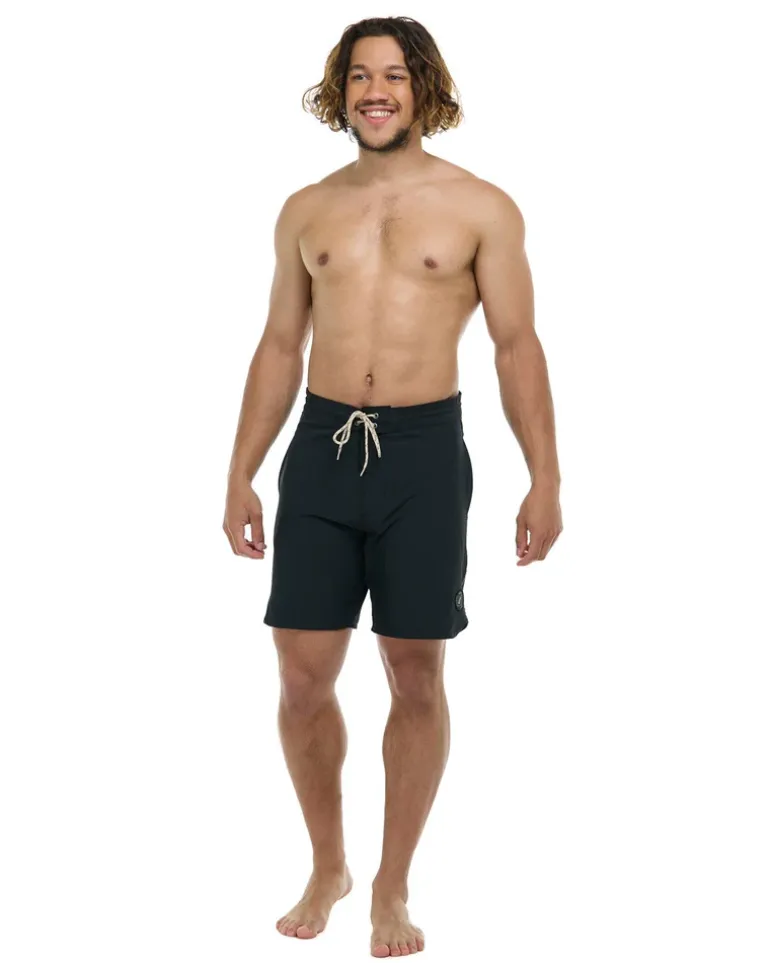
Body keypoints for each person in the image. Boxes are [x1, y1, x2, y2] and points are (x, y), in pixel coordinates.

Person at [222, 15, 563, 958]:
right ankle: (328, 863)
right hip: (321, 450)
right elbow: (280, 345)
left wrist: (544, 478)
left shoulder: (482, 207)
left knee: (416, 672)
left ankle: (391, 883)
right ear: (340, 92)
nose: (376, 92)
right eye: (360, 76)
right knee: (301, 677)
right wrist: (241, 471)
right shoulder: (306, 209)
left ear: (424, 90)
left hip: (422, 454)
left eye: (395, 76)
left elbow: (516, 346)